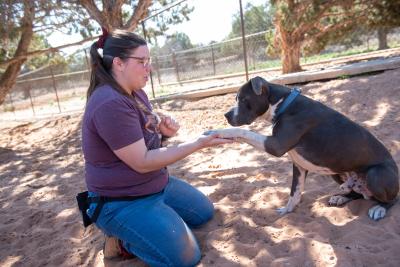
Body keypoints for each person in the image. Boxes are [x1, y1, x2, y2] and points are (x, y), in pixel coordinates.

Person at [81, 28, 232, 267]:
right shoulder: (109, 102)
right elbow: (141, 161)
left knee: (204, 212)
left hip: (156, 185)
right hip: (122, 201)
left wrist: (163, 133)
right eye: (141, 61)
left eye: (148, 61)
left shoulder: (136, 93)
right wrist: (197, 144)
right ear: (118, 63)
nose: (147, 68)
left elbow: (144, 141)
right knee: (185, 258)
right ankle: (121, 241)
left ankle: (152, 225)